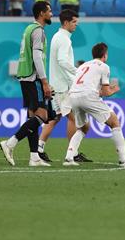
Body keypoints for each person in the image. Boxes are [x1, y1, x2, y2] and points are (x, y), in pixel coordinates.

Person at [0, 1, 54, 167]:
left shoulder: (28, 29)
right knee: (43, 116)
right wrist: (44, 81)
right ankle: (10, 143)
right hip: (33, 77)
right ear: (41, 13)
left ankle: (34, 156)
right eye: (49, 11)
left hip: (25, 77)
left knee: (32, 116)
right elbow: (37, 57)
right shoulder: (38, 31)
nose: (51, 14)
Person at [68, 43, 125, 167]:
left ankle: (69, 157)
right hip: (87, 96)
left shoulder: (83, 66)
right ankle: (123, 160)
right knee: (114, 121)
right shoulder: (104, 67)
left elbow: (89, 88)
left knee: (83, 128)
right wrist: (114, 89)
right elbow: (106, 93)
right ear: (105, 55)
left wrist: (101, 91)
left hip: (73, 96)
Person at [38, 10, 91, 165]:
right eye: (74, 22)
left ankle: (39, 149)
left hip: (57, 84)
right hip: (62, 87)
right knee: (74, 118)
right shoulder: (64, 39)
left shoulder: (58, 37)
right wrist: (78, 73)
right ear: (66, 22)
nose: (76, 24)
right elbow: (62, 61)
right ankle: (72, 153)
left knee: (55, 118)